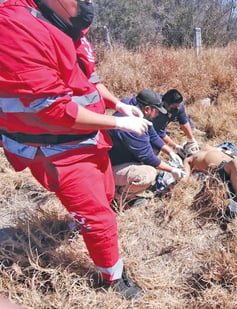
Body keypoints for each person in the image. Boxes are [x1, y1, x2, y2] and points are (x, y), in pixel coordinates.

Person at [0, 0, 152, 299]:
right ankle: (112, 279)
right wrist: (116, 123)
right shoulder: (14, 26)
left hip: (86, 137)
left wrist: (119, 104)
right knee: (98, 216)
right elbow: (51, 110)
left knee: (105, 194)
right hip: (55, 146)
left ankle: (76, 221)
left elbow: (88, 81)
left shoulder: (67, 24)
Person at [108, 90, 187, 205]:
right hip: (111, 167)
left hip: (121, 155)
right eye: (156, 111)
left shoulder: (134, 107)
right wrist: (172, 170)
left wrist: (171, 152)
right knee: (147, 174)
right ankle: (119, 196)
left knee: (155, 150)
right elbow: (148, 157)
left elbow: (153, 134)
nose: (158, 114)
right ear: (147, 109)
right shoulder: (131, 127)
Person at [181, 143, 237, 217]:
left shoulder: (207, 146)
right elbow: (185, 176)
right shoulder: (189, 159)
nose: (192, 147)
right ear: (186, 151)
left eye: (192, 144)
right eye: (187, 146)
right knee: (236, 162)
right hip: (219, 172)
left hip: (233, 166)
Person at [152, 89, 199, 153]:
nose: (177, 108)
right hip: (150, 125)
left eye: (178, 105)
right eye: (174, 106)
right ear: (165, 103)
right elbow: (160, 133)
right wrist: (175, 147)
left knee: (186, 118)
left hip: (167, 116)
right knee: (155, 148)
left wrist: (191, 139)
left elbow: (184, 122)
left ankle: (193, 130)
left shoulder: (179, 106)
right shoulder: (157, 111)